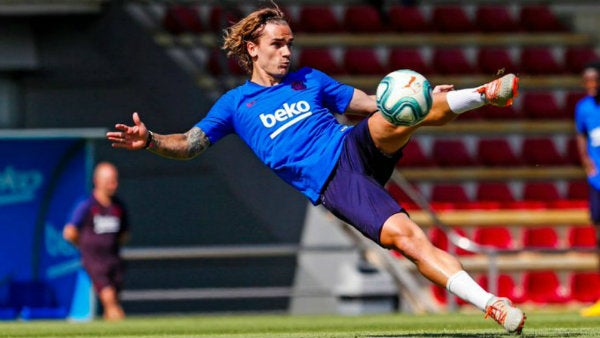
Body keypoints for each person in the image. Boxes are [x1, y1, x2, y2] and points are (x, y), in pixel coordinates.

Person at [106, 5, 525, 334]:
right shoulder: (235, 105)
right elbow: (189, 144)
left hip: (351, 146)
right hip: (335, 183)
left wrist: (424, 99)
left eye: (290, 43)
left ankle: (484, 93)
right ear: (253, 49)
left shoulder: (310, 79)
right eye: (277, 44)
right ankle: (489, 302)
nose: (287, 52)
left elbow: (373, 105)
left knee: (400, 115)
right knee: (409, 239)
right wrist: (153, 140)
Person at [63, 161, 129, 321]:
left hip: (113, 259)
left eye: (115, 181)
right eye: (109, 181)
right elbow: (69, 232)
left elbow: (124, 233)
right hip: (95, 261)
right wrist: (85, 246)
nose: (113, 185)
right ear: (97, 181)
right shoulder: (87, 205)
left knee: (114, 299)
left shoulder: (118, 206)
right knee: (109, 299)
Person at [575, 60, 600, 317]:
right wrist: (585, 160)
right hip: (597, 182)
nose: (591, 85)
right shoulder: (583, 108)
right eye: (587, 81)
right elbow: (580, 135)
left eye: (595, 80)